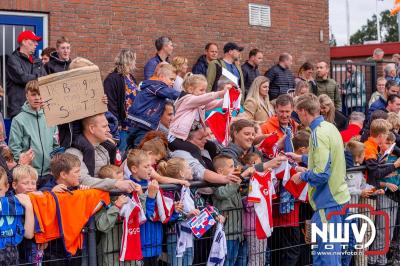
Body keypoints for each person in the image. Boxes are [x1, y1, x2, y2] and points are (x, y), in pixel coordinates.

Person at [289, 93, 350, 266]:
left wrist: (301, 175)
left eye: (297, 113)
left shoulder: (317, 133)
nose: (298, 117)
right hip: (339, 198)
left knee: (327, 256)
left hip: (328, 202)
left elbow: (322, 173)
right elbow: (329, 160)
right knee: (335, 254)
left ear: (303, 111)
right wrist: (302, 159)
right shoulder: (330, 127)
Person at [126, 149, 182, 266]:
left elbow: (161, 216)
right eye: (146, 166)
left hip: (156, 246)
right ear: (134, 169)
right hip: (140, 248)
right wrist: (150, 197)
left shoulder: (153, 184)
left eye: (150, 166)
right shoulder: (129, 188)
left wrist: (174, 212)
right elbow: (142, 217)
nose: (150, 169)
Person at [66, 113, 137, 192]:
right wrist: (116, 183)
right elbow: (82, 180)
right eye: (104, 126)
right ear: (92, 128)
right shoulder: (73, 153)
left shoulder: (104, 149)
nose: (109, 130)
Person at [8, 80, 58, 186]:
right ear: (27, 95)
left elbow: (55, 144)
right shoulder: (18, 120)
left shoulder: (50, 116)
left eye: (40, 94)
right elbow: (14, 148)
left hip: (49, 174)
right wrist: (23, 162)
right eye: (33, 94)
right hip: (29, 175)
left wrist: (55, 162)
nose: (38, 98)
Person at [343, 140, 384, 266]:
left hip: (355, 212)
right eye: (362, 155)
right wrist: (359, 192)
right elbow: (342, 188)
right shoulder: (345, 170)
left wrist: (373, 190)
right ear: (356, 156)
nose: (364, 157)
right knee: (345, 244)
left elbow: (362, 185)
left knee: (352, 243)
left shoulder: (359, 170)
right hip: (346, 211)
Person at [168, 74, 225, 160]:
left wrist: (229, 98)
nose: (204, 93)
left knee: (211, 146)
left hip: (187, 137)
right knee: (195, 150)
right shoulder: (187, 99)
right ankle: (201, 171)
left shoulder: (198, 102)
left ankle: (217, 167)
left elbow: (214, 103)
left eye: (205, 90)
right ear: (190, 89)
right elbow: (205, 98)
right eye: (201, 90)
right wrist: (221, 93)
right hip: (176, 137)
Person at [96, 163, 142, 266]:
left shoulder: (126, 197)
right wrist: (116, 207)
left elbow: (140, 217)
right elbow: (102, 226)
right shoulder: (102, 201)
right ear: (108, 184)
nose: (124, 185)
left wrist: (140, 197)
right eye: (119, 182)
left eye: (123, 180)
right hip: (111, 255)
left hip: (129, 253)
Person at [158, 157, 201, 266]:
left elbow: (201, 204)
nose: (191, 170)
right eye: (188, 167)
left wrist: (214, 214)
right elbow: (168, 214)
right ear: (181, 173)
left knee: (188, 261)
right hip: (175, 234)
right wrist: (187, 215)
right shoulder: (171, 191)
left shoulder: (190, 189)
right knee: (176, 263)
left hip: (189, 233)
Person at [127, 64, 180, 148]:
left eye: (174, 80)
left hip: (137, 121)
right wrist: (184, 95)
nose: (173, 82)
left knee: (131, 146)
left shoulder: (151, 86)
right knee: (140, 147)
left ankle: (126, 157)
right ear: (162, 77)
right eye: (171, 79)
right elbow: (171, 93)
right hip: (145, 122)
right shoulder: (157, 87)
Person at [212, 154, 251, 266]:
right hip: (226, 235)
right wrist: (241, 177)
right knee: (227, 262)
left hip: (238, 233)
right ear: (220, 171)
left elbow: (240, 192)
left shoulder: (233, 183)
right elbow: (223, 193)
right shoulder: (216, 184)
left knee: (239, 261)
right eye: (231, 166)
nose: (234, 169)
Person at [369, 132, 400, 266]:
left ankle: (382, 259)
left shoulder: (395, 157)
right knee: (382, 229)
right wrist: (385, 183)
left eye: (389, 143)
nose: (385, 146)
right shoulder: (377, 157)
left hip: (395, 196)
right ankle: (374, 260)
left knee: (390, 229)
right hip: (382, 195)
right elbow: (373, 177)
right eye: (384, 142)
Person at [103, 49, 138, 152]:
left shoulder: (130, 77)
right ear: (128, 61)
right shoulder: (112, 79)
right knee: (120, 152)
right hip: (121, 126)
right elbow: (111, 103)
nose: (135, 63)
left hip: (132, 124)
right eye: (134, 60)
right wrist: (115, 124)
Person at [6, 30, 47, 118]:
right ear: (24, 42)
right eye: (33, 41)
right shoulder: (13, 60)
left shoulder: (37, 61)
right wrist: (40, 79)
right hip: (19, 110)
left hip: (37, 109)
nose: (36, 44)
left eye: (36, 42)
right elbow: (22, 77)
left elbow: (46, 79)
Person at [0, 167, 34, 265]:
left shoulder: (15, 204)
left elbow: (28, 234)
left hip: (11, 258)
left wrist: (28, 207)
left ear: (7, 187)